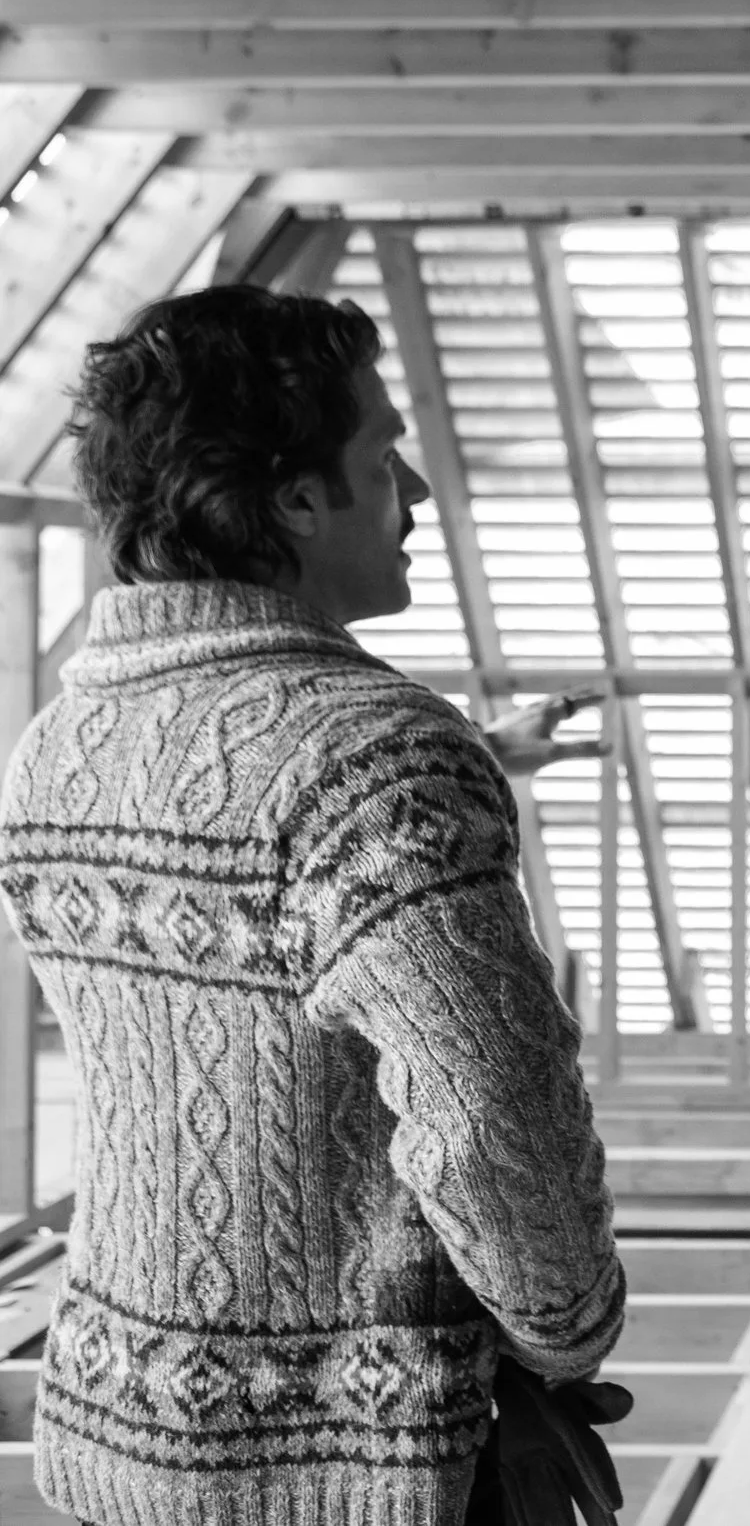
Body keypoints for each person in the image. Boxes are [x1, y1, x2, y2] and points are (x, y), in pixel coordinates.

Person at [0, 288, 628, 1526]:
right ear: (292, 498)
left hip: (125, 1425)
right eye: (383, 456)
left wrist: (474, 754)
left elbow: (253, 844)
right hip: (352, 1461)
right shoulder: (379, 754)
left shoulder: (55, 744)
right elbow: (492, 1109)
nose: (416, 491)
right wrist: (567, 1321)